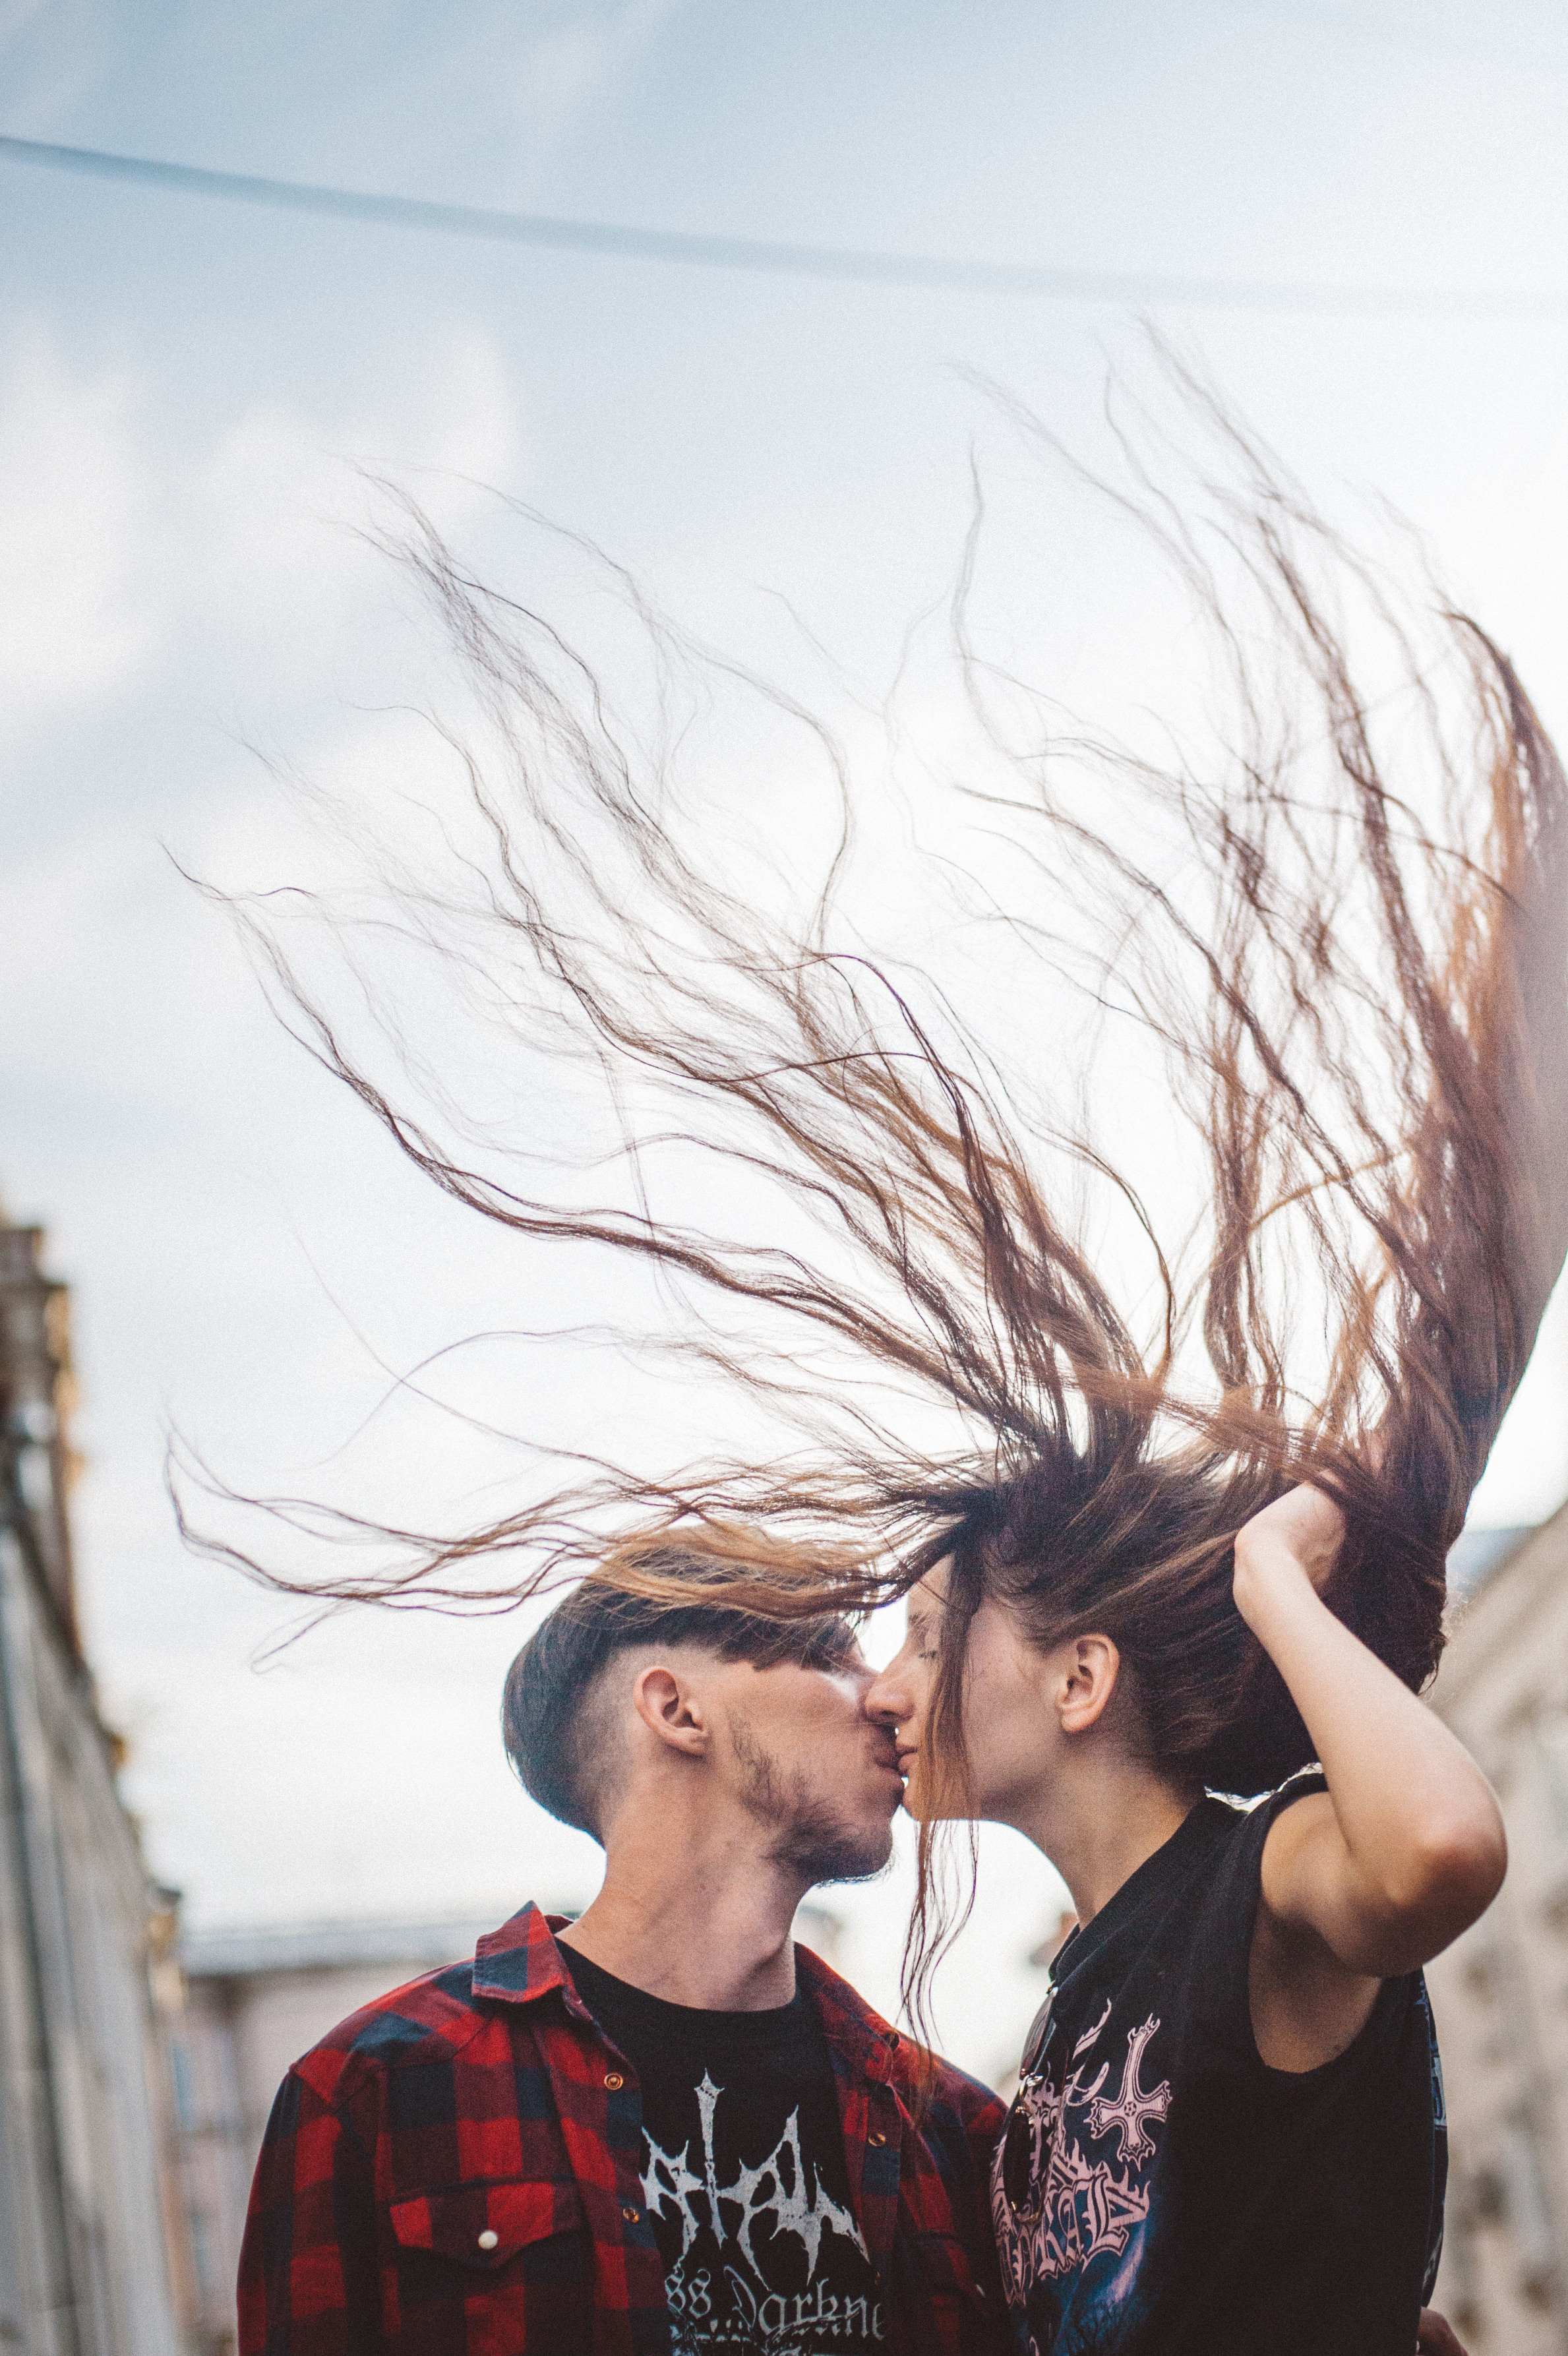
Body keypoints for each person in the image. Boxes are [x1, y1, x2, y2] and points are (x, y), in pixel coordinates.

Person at [236, 1548, 1008, 2355]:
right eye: (826, 1657)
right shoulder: (377, 2093)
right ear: (676, 1710)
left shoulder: (950, 2125)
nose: (885, 1696)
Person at [864, 1479, 1488, 2355]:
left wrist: (1268, 1574)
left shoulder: (1264, 1877)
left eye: (927, 1644)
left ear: (1078, 1680)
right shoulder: (1068, 2005)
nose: (882, 1693)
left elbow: (1443, 1846)